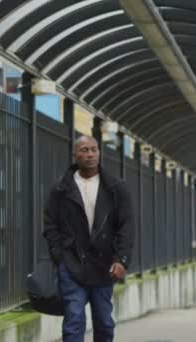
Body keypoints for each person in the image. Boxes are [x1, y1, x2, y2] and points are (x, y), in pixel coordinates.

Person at [43, 135, 135, 342]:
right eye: (84, 150)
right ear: (74, 154)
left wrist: (122, 260)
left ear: (99, 153)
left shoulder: (115, 188)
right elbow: (51, 224)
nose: (90, 154)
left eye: (94, 149)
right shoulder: (60, 189)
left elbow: (126, 226)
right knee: (74, 319)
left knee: (104, 321)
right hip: (72, 264)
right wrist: (60, 256)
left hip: (104, 265)